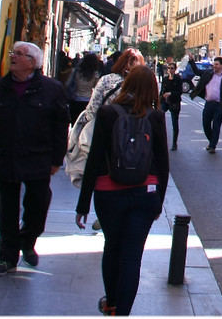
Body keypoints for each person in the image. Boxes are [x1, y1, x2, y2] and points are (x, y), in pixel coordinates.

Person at [74, 66, 169, 316]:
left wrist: (83, 205)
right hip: (145, 194)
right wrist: (158, 202)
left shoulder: (108, 113)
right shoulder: (156, 116)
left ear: (126, 85)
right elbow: (163, 164)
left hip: (109, 193)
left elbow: (94, 160)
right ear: (153, 89)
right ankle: (123, 312)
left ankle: (112, 303)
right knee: (132, 256)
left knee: (112, 247)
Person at [0, 40, 69, 276]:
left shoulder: (52, 89)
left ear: (32, 62)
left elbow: (60, 126)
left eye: (19, 54)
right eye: (13, 53)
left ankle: (27, 239)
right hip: (5, 156)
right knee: (7, 210)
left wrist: (57, 159)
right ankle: (6, 258)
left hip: (37, 157)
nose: (12, 56)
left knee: (38, 204)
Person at [190, 57, 222, 153]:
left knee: (216, 126)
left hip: (219, 105)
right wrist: (191, 61)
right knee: (205, 124)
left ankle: (212, 146)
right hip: (209, 103)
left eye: (217, 64)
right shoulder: (208, 73)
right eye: (214, 64)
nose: (214, 66)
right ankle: (212, 141)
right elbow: (197, 71)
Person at [68, 52, 102, 125]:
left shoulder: (76, 72)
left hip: (75, 100)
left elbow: (67, 84)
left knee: (74, 124)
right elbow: (97, 88)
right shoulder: (95, 74)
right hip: (88, 102)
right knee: (84, 125)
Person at [159, 62, 183, 150]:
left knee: (174, 123)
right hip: (165, 101)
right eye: (168, 68)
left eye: (172, 68)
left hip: (174, 102)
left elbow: (179, 92)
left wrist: (171, 93)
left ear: (175, 69)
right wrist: (161, 96)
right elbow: (162, 90)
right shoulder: (165, 79)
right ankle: (159, 140)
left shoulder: (178, 79)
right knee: (159, 117)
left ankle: (174, 143)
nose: (170, 70)